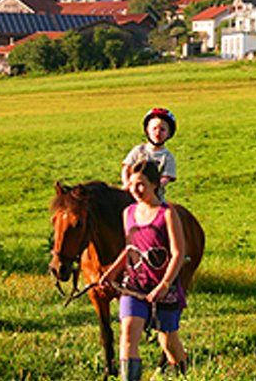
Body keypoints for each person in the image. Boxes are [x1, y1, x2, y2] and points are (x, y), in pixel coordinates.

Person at [100, 160, 188, 380]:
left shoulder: (167, 214)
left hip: (163, 288)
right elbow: (130, 247)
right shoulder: (128, 213)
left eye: (141, 184)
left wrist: (164, 285)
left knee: (168, 342)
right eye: (132, 184)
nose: (135, 190)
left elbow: (178, 253)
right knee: (127, 335)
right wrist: (112, 271)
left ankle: (182, 370)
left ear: (155, 184)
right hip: (134, 285)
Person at [122, 108, 178, 199]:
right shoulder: (139, 150)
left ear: (169, 133)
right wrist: (127, 184)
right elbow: (126, 168)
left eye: (162, 130)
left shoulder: (167, 157)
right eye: (154, 128)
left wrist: (151, 188)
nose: (158, 132)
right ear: (147, 130)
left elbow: (165, 178)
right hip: (132, 193)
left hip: (155, 196)